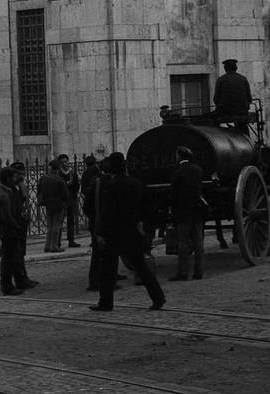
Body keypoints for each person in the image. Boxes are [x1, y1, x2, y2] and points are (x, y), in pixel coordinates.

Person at [91, 152, 164, 312]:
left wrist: (101, 233)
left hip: (114, 234)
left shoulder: (111, 185)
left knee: (108, 270)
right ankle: (158, 297)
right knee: (141, 267)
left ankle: (106, 303)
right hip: (132, 233)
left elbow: (108, 213)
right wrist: (142, 223)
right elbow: (149, 207)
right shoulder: (136, 183)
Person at [169, 146, 206, 281]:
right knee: (198, 241)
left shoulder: (177, 172)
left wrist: (173, 213)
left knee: (183, 243)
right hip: (197, 210)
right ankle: (199, 272)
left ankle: (183, 273)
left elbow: (174, 196)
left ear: (179, 156)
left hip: (183, 212)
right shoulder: (197, 170)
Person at [0, 166, 29, 295]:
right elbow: (7, 216)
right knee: (8, 259)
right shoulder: (3, 195)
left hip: (10, 230)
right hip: (8, 231)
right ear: (7, 178)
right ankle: (7, 286)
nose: (15, 179)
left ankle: (14, 283)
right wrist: (17, 226)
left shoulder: (6, 191)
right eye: (13, 177)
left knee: (12, 257)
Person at [80, 154, 106, 291]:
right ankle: (103, 282)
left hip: (95, 222)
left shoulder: (90, 180)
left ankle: (96, 282)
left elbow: (86, 207)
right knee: (104, 254)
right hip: (102, 224)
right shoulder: (101, 183)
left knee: (98, 254)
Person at [9, 162, 37, 289]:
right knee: (17, 252)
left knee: (21, 251)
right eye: (18, 173)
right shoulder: (12, 188)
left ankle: (24, 277)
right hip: (16, 223)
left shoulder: (19, 186)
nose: (21, 176)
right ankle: (20, 279)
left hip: (22, 221)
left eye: (22, 173)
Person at [37, 157, 71, 252]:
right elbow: (65, 194)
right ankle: (54, 246)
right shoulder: (60, 179)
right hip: (58, 204)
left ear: (50, 168)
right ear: (59, 168)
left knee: (50, 226)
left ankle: (47, 245)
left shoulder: (43, 178)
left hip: (48, 204)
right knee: (56, 226)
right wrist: (66, 203)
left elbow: (39, 190)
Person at [213, 59, 252, 133]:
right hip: (242, 111)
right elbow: (249, 98)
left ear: (225, 69)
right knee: (243, 126)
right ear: (236, 68)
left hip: (226, 111)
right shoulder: (243, 79)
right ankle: (247, 139)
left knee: (212, 121)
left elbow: (216, 100)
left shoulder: (221, 80)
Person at [56, 153, 82, 248]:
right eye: (62, 162)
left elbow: (76, 186)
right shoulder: (59, 174)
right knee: (59, 221)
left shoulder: (72, 173)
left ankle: (71, 240)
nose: (64, 164)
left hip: (71, 199)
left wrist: (73, 193)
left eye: (65, 162)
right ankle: (57, 242)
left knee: (71, 221)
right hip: (61, 200)